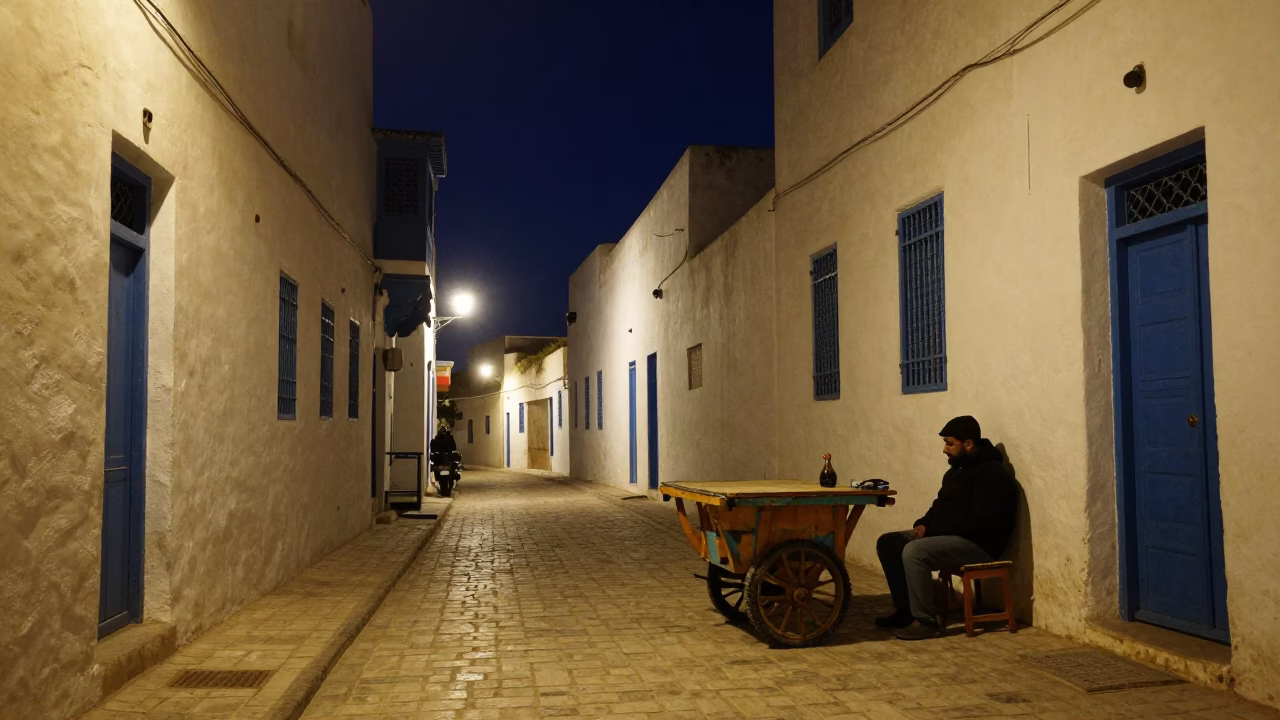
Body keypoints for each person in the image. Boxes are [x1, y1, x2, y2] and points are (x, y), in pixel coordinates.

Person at [875, 416, 1018, 640]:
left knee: (915, 552)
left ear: (968, 444)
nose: (944, 449)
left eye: (950, 443)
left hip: (978, 545)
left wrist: (931, 533)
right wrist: (923, 524)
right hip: (949, 537)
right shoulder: (957, 471)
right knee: (889, 543)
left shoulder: (992, 474)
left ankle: (926, 620)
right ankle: (906, 612)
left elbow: (980, 522)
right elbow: (939, 505)